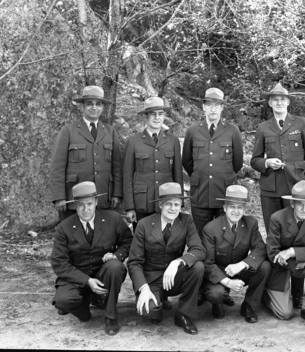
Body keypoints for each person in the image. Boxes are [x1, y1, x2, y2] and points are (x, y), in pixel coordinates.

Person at [251, 82, 305, 309]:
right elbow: (254, 160)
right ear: (269, 103)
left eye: (282, 99)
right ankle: (277, 289)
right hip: (271, 190)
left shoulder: (301, 123)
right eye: (274, 99)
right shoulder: (263, 127)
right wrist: (266, 163)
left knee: (299, 237)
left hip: (295, 190)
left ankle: (297, 293)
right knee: (274, 237)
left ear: (288, 102)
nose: (279, 102)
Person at [50, 181, 132, 336]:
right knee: (64, 301)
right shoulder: (64, 227)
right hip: (77, 276)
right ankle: (84, 309)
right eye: (81, 205)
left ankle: (111, 316)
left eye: (89, 204)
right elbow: (59, 263)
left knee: (115, 267)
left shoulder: (112, 219)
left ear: (96, 202)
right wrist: (87, 281)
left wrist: (116, 255)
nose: (86, 209)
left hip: (103, 272)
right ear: (74, 205)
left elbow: (128, 241)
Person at [127, 182, 205, 335]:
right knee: (150, 312)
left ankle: (184, 314)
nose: (173, 208)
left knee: (198, 267)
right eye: (168, 204)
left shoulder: (186, 221)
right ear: (160, 205)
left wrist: (177, 262)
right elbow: (134, 262)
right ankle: (158, 299)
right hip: (151, 278)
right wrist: (143, 287)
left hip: (173, 276)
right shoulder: (144, 224)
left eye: (177, 204)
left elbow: (199, 249)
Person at [50, 86, 122, 222]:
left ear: (103, 107)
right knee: (74, 239)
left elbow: (117, 168)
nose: (94, 108)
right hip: (73, 199)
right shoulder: (68, 131)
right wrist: (59, 197)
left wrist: (117, 194)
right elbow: (57, 167)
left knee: (102, 239)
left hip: (102, 198)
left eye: (98, 104)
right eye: (89, 104)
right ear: (82, 107)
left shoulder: (110, 132)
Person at [202, 185, 271, 323]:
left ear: (244, 210)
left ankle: (248, 305)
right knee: (216, 294)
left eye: (240, 207)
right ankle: (218, 303)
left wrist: (243, 264)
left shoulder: (250, 223)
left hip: (240, 269)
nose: (236, 211)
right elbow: (207, 263)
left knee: (265, 266)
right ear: (224, 208)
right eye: (232, 207)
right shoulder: (210, 228)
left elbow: (260, 248)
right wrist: (228, 282)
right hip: (220, 272)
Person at [263, 180, 305, 328]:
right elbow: (272, 254)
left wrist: (292, 252)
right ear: (292, 204)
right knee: (285, 314)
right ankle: (266, 295)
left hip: (298, 262)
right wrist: (302, 260)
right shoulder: (277, 218)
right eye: (300, 204)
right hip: (280, 267)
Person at [182, 87, 243, 237]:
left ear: (222, 108)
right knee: (202, 236)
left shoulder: (232, 131)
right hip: (200, 194)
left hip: (224, 193)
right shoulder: (193, 131)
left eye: (216, 105)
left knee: (224, 236)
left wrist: (222, 175)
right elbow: (187, 161)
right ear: (203, 107)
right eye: (209, 105)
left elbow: (237, 163)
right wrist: (200, 174)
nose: (213, 109)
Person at [123, 96, 183, 228]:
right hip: (142, 203)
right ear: (146, 117)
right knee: (142, 240)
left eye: (160, 114)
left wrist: (179, 202)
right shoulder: (133, 142)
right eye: (153, 114)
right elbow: (127, 177)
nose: (157, 118)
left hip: (167, 201)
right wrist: (129, 207)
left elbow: (178, 175)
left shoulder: (173, 141)